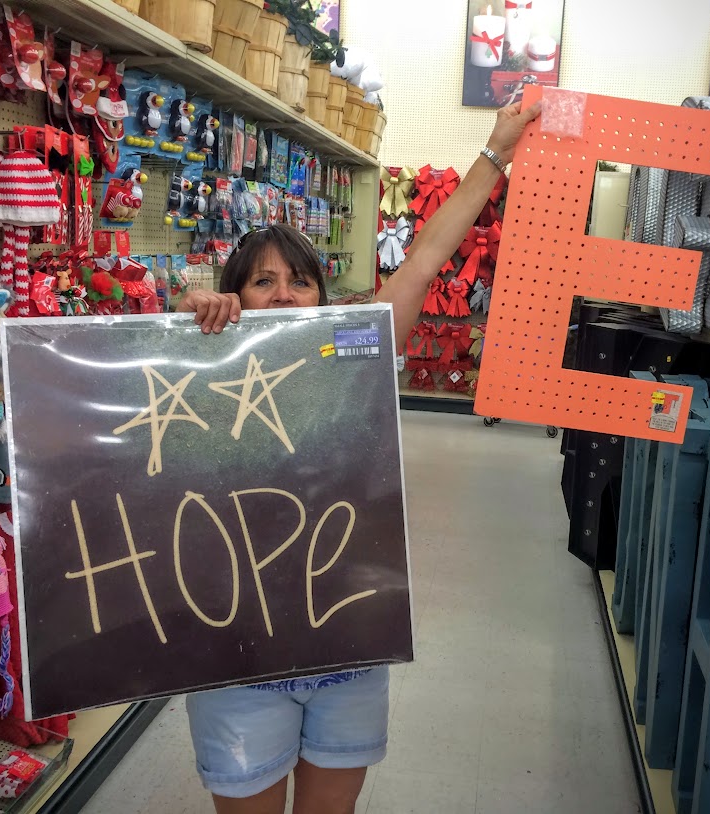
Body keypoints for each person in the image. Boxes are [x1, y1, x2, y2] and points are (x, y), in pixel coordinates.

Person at [177, 99, 541, 814]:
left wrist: (495, 149)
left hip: (347, 649)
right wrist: (181, 323)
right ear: (235, 296)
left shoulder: (356, 350)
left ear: (321, 294)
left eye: (299, 280)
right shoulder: (200, 369)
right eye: (262, 281)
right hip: (237, 659)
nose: (284, 294)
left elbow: (431, 251)